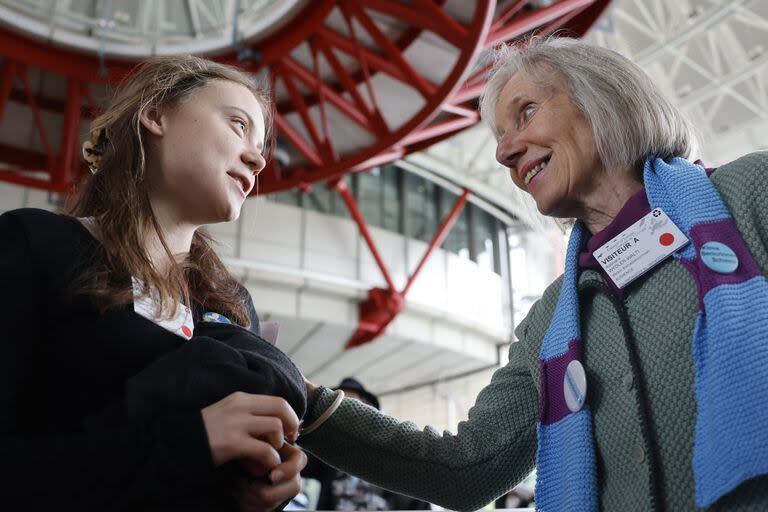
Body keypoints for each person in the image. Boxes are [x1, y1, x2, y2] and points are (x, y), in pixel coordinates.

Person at [296, 37, 768, 511]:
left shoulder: (751, 194)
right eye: (499, 137)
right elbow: (468, 467)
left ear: (604, 99)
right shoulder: (551, 320)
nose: (503, 153)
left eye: (525, 113)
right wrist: (299, 397)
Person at [0, 55, 308, 511]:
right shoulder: (34, 244)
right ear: (156, 113)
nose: (258, 159)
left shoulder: (235, 308)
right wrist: (192, 442)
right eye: (238, 125)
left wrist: (260, 485)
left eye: (261, 145)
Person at [302, 378, 431, 511]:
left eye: (352, 406)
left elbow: (419, 502)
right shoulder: (327, 457)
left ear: (368, 412)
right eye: (336, 408)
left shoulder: (394, 459)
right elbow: (299, 462)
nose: (342, 416)